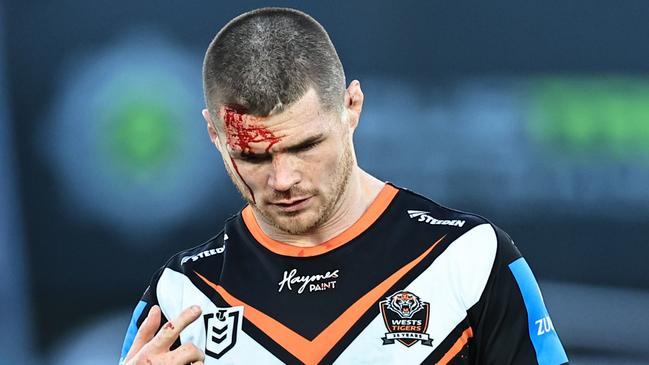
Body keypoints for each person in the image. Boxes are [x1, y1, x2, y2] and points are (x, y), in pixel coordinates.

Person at [119, 7, 569, 365]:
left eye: (306, 145)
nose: (283, 180)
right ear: (214, 135)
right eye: (253, 156)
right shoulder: (181, 293)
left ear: (351, 107)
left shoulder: (470, 257)